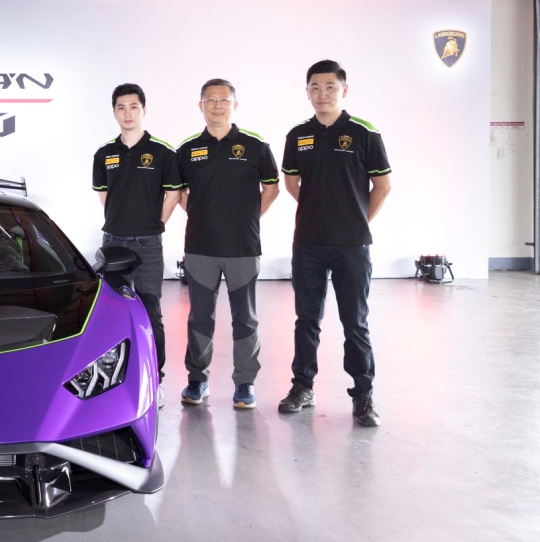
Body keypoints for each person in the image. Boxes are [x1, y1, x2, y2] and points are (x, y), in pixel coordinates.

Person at [278, 60, 392, 427]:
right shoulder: (298, 135)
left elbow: (383, 186)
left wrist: (355, 220)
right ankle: (302, 386)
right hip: (308, 243)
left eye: (330, 86)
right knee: (306, 319)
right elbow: (291, 183)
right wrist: (319, 211)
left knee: (355, 322)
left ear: (344, 90)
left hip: (352, 246)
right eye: (315, 87)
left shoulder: (364, 133)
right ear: (307, 92)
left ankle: (363, 395)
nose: (322, 93)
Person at [175, 78, 280, 409]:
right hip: (200, 247)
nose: (217, 105)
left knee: (245, 318)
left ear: (235, 105)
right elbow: (179, 192)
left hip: (242, 248)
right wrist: (202, 215)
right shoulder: (187, 149)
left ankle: (245, 383)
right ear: (201, 106)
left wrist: (247, 219)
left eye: (223, 100)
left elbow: (272, 188)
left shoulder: (255, 145)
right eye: (210, 100)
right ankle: (198, 380)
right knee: (199, 317)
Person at [92, 83, 183, 408]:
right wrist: (121, 221)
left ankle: (155, 379)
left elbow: (173, 193)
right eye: (121, 107)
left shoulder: (162, 152)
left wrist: (154, 223)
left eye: (133, 107)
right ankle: (111, 380)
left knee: (149, 310)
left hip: (148, 244)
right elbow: (104, 195)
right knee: (111, 312)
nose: (127, 113)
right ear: (114, 112)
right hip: (113, 241)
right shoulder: (104, 154)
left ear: (143, 110)